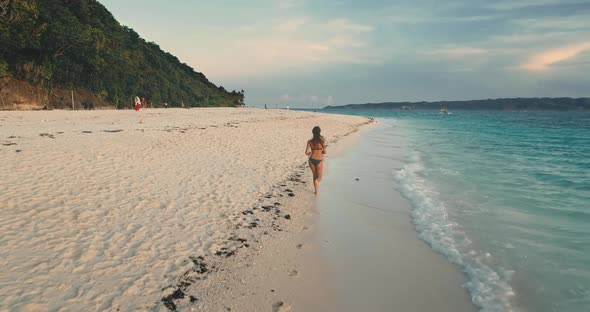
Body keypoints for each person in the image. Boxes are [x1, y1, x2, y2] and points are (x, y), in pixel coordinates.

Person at [305, 126, 326, 195]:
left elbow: (306, 153)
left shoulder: (309, 141)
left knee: (314, 175)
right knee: (319, 178)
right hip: (319, 160)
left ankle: (316, 192)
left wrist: (310, 153)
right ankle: (316, 187)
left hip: (311, 160)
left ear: (313, 132)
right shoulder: (321, 141)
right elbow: (325, 152)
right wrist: (320, 152)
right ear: (319, 132)